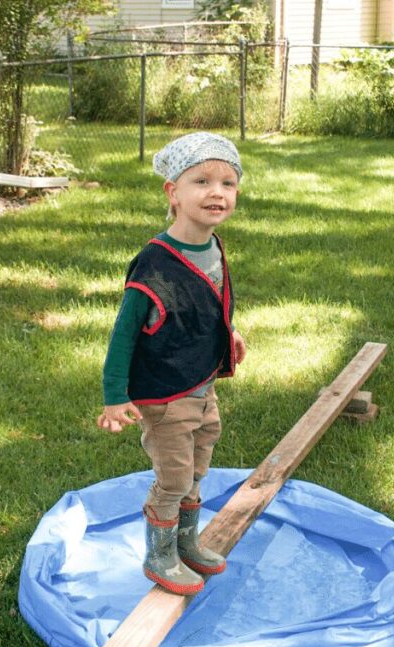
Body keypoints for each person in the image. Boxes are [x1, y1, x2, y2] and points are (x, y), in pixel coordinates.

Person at [96, 132, 248, 596]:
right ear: (173, 193)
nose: (217, 192)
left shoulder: (213, 248)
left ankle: (186, 543)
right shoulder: (154, 264)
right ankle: (159, 555)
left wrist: (229, 333)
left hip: (200, 387)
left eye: (228, 182)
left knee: (199, 466)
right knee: (174, 478)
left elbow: (205, 303)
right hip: (164, 394)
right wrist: (115, 396)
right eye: (201, 180)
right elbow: (123, 336)